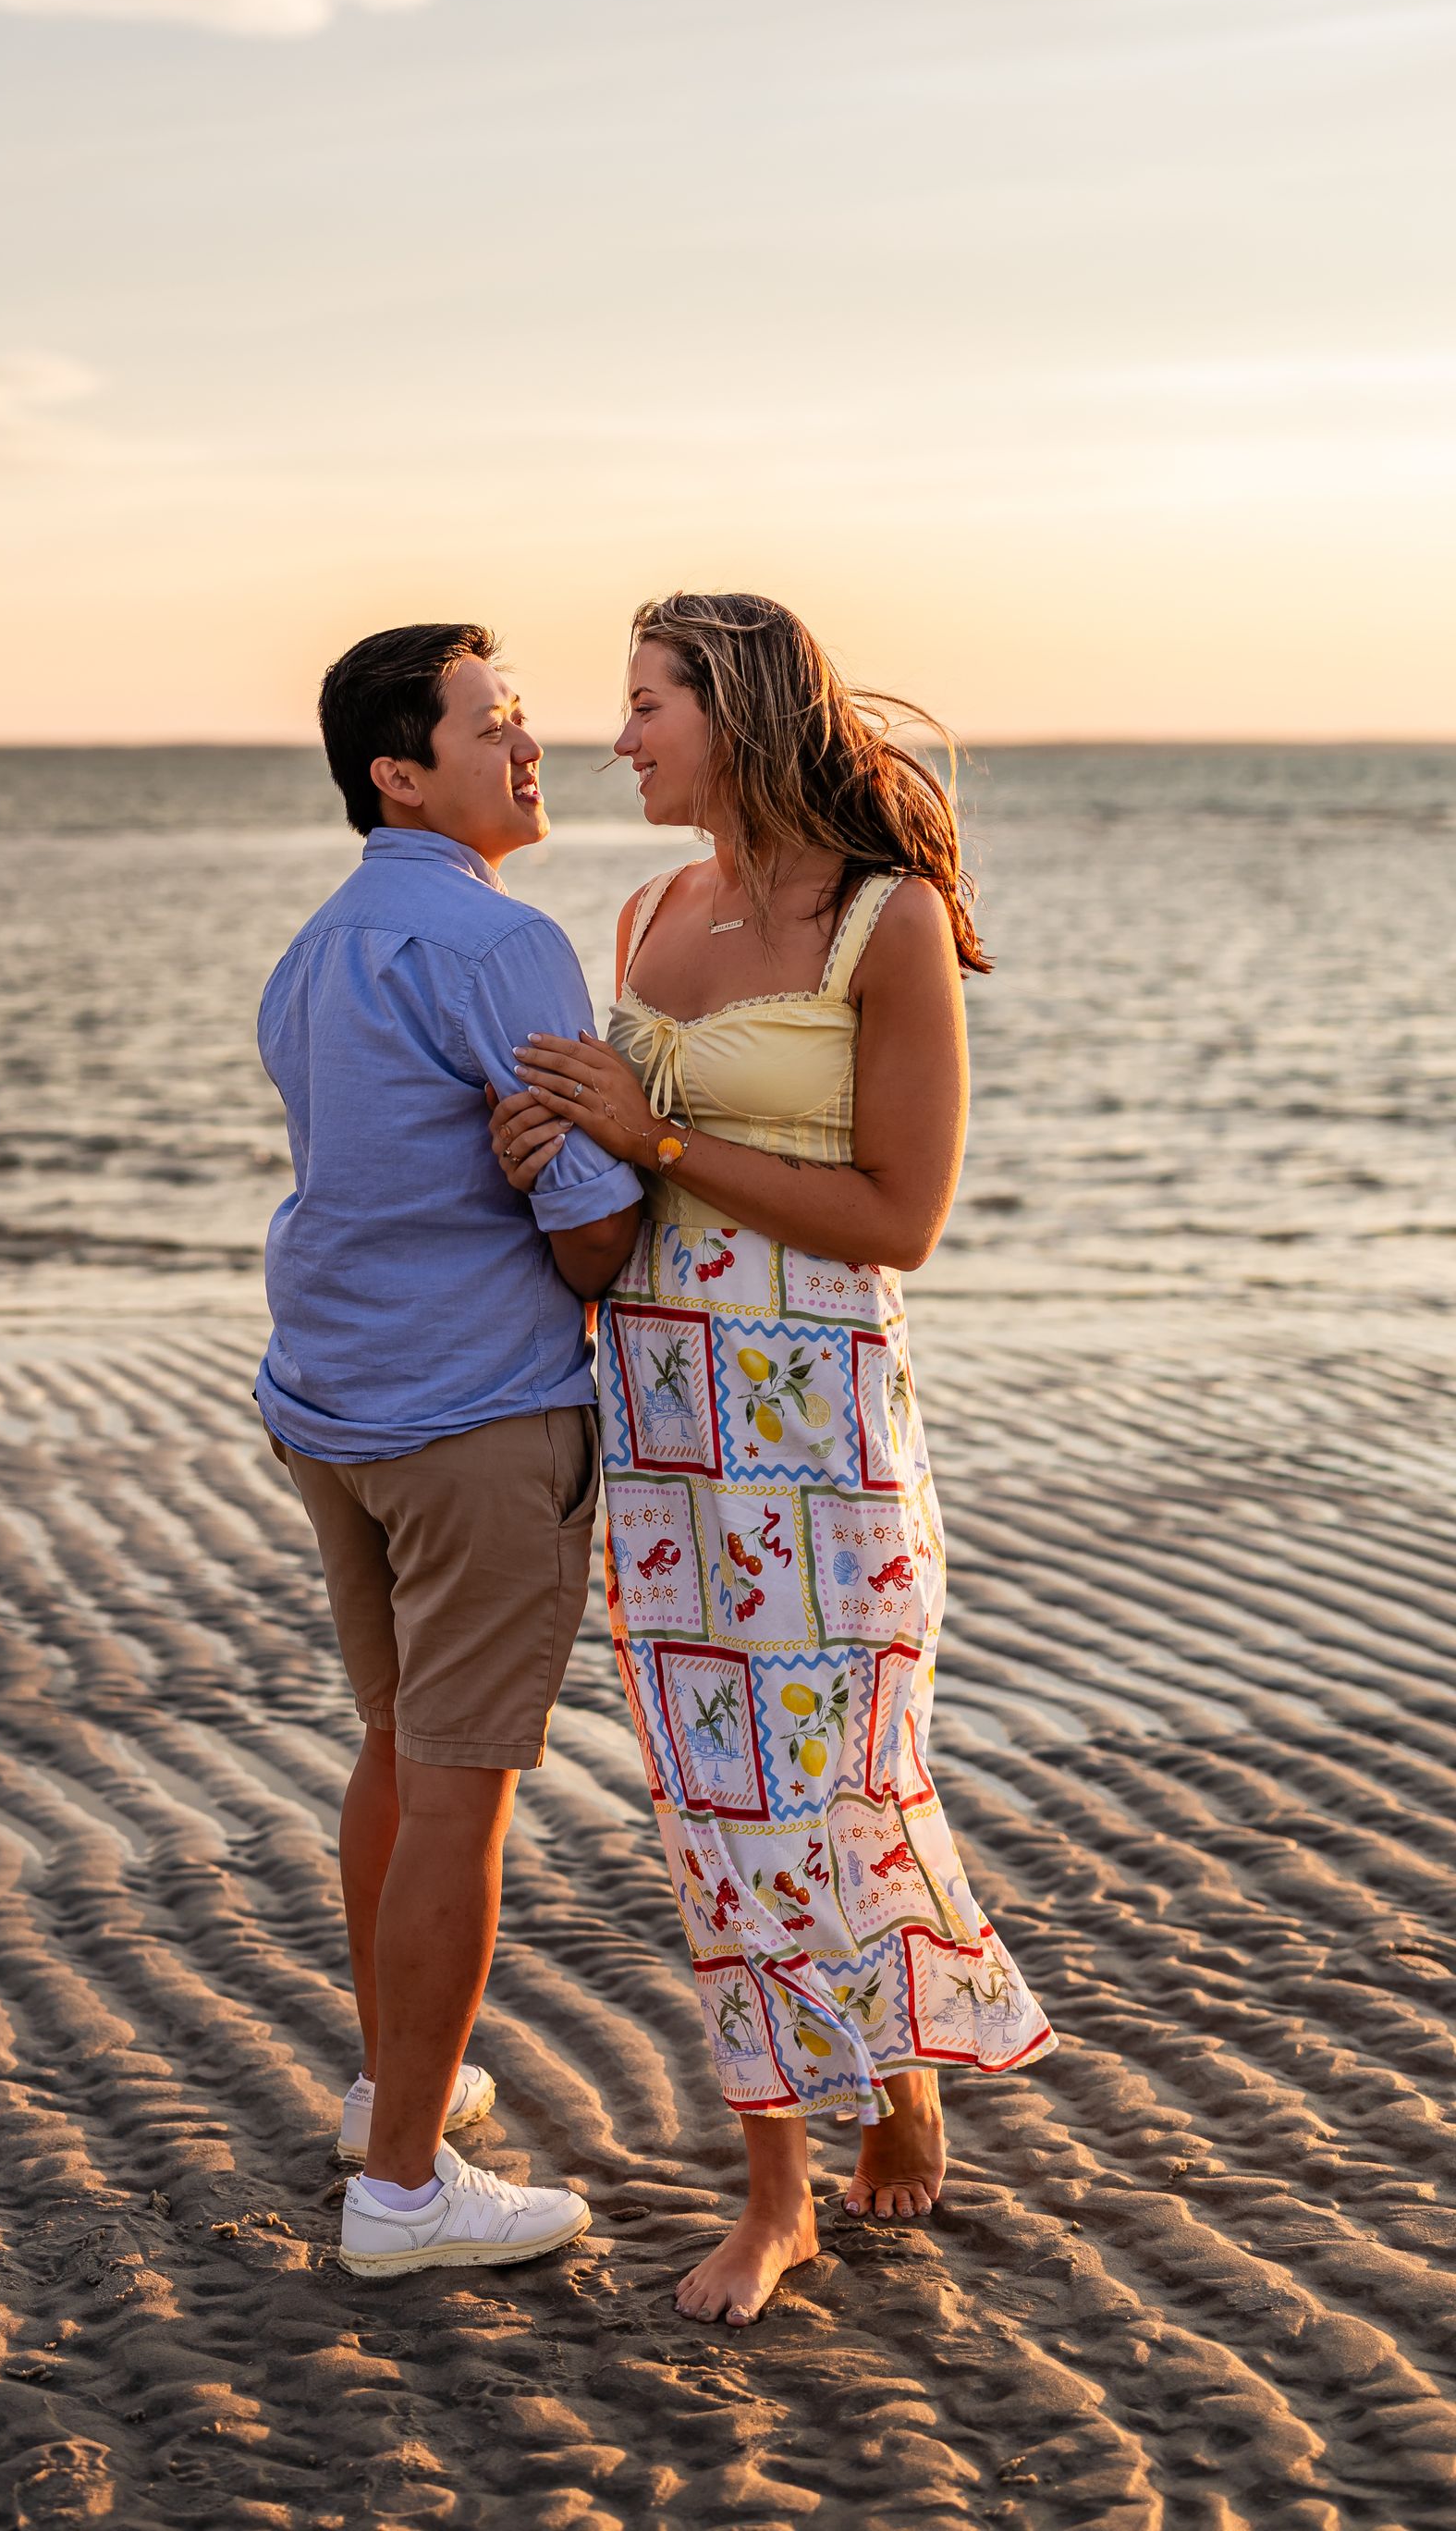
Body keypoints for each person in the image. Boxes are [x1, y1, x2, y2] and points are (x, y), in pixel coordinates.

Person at [490, 592, 1053, 2325]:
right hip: (661, 1423)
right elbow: (615, 1187)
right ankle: (782, 2186)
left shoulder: (883, 923)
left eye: (648, 701)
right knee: (717, 1802)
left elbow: (906, 1216)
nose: (619, 735)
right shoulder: (647, 908)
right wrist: (553, 1158)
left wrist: (652, 1131)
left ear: (732, 712)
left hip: (818, 1425)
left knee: (842, 1774)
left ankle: (900, 2083)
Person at [254, 621, 642, 2279]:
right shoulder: (499, 946)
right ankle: (406, 2186)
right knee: (461, 1791)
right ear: (398, 772)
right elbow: (596, 1248)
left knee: (401, 1750)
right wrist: (628, 1149)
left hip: (332, 1408)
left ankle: (387, 2096)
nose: (530, 746)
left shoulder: (318, 950)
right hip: (472, 1420)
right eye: (494, 726)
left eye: (526, 718)